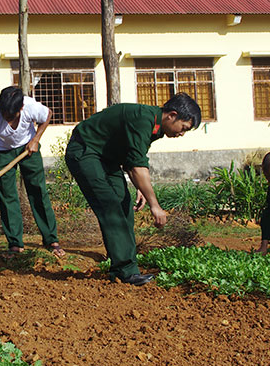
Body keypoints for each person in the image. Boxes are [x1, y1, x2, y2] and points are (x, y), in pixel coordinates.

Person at [65, 92, 201, 286]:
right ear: (171, 115)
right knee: (110, 206)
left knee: (124, 203)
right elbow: (137, 167)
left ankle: (121, 263)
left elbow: (134, 157)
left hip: (107, 158)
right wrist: (155, 205)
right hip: (85, 151)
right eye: (183, 128)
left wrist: (140, 188)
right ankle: (126, 270)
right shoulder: (142, 120)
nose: (182, 133)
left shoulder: (156, 126)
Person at [0, 86, 63, 259]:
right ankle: (15, 244)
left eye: (10, 116)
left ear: (20, 109)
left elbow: (48, 115)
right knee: (8, 198)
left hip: (28, 148)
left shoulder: (30, 106)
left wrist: (35, 139)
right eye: (4, 115)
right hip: (2, 152)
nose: (6, 119)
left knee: (38, 192)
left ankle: (51, 240)